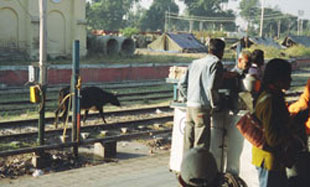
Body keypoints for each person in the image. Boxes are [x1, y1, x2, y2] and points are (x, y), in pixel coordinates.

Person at [179, 38, 226, 152]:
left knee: (188, 141)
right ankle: (198, 169)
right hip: (202, 108)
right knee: (201, 145)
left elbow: (182, 84)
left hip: (190, 107)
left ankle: (186, 168)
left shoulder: (195, 63)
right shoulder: (216, 63)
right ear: (221, 51)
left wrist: (188, 98)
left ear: (209, 49)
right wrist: (216, 104)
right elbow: (212, 88)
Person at [210, 50, 252, 175]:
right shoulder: (231, 76)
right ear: (239, 61)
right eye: (246, 63)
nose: (248, 66)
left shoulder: (246, 74)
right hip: (229, 115)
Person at [252, 58, 292, 187]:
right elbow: (273, 139)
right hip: (269, 159)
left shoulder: (269, 95)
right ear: (277, 78)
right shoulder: (271, 101)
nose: (290, 80)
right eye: (287, 76)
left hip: (270, 159)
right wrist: (293, 127)